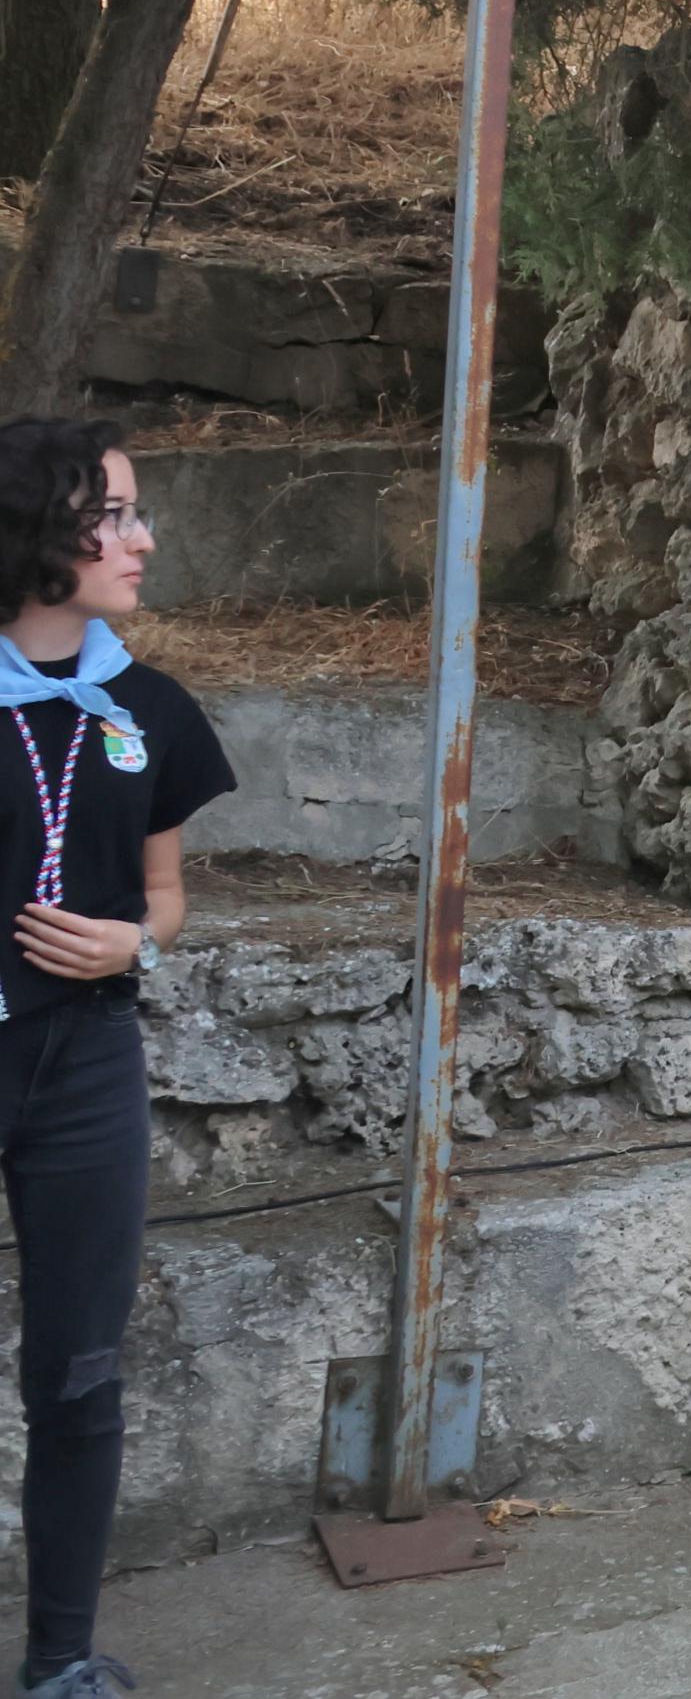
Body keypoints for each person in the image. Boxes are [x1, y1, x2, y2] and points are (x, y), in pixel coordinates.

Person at [0, 418, 231, 1699]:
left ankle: (60, 1662)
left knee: (81, 1376)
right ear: (41, 530)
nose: (142, 539)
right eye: (117, 513)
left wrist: (126, 943)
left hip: (86, 1070)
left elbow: (167, 897)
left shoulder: (147, 707)